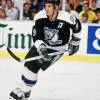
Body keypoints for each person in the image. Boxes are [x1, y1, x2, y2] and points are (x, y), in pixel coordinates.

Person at [8, 0, 82, 100]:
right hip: (41, 44)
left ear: (56, 7)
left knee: (34, 67)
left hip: (57, 49)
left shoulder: (66, 17)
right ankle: (25, 90)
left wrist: (75, 41)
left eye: (49, 6)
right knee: (28, 65)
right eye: (45, 6)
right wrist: (41, 47)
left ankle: (24, 91)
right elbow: (36, 36)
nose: (46, 9)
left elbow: (77, 26)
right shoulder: (39, 17)